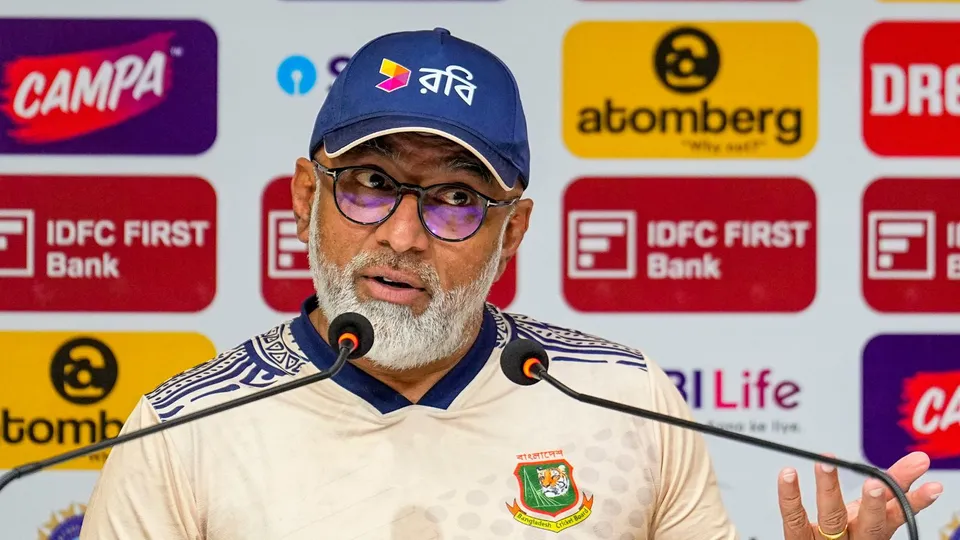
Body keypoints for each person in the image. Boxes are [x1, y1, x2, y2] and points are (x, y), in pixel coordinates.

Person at [78, 28, 942, 540]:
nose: (403, 235)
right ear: (308, 195)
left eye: (457, 198)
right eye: (370, 183)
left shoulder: (620, 396)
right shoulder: (183, 426)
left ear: (512, 232)